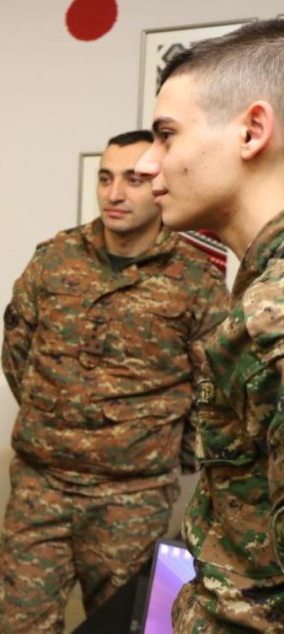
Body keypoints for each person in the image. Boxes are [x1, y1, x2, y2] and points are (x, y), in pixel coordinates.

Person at [0, 130, 229, 633]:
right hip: (42, 487)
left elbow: (213, 390)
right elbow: (17, 353)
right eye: (105, 179)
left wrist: (162, 454)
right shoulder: (55, 258)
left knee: (123, 624)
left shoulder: (195, 279)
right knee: (20, 624)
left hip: (133, 498)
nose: (115, 193)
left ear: (160, 185)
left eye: (133, 180)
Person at [134, 19, 284, 631]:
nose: (148, 164)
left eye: (166, 135)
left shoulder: (274, 318)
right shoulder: (259, 292)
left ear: (251, 131)